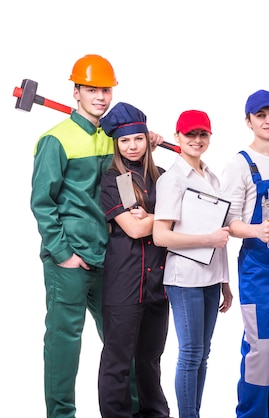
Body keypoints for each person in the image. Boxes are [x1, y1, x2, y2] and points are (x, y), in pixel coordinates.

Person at [30, 54, 123, 418]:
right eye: (92, 89)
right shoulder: (55, 141)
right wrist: (62, 253)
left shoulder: (113, 138)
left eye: (105, 90)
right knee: (64, 344)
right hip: (69, 263)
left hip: (111, 260)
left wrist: (144, 140)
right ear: (76, 92)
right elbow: (42, 203)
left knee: (121, 344)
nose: (100, 97)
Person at [221, 89, 269, 418]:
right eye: (261, 115)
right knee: (260, 351)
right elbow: (228, 221)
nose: (268, 120)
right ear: (249, 121)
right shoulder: (239, 165)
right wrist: (255, 230)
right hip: (259, 270)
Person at [152, 110, 233, 418]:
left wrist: (225, 281)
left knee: (204, 354)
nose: (196, 140)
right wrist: (207, 240)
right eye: (190, 134)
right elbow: (161, 236)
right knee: (190, 353)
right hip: (184, 278)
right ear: (177, 137)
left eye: (202, 134)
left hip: (212, 278)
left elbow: (220, 233)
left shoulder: (211, 176)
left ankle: (193, 412)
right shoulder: (171, 180)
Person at [97, 102, 171, 418]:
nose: (132, 146)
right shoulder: (115, 179)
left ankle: (155, 413)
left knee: (150, 359)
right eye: (125, 141)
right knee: (118, 360)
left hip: (159, 284)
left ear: (147, 139)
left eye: (138, 139)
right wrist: (163, 219)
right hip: (125, 283)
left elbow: (186, 218)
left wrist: (153, 215)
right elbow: (135, 228)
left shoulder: (164, 177)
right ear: (116, 144)